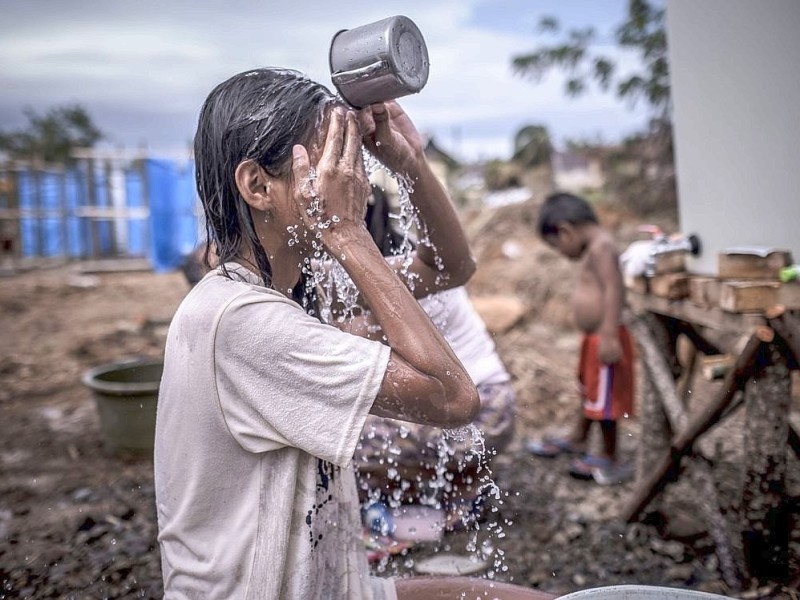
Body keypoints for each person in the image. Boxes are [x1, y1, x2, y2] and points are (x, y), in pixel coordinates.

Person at [154, 67, 554, 600]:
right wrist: (345, 230)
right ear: (257, 185)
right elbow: (454, 397)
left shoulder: (296, 280)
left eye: (353, 164)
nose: (356, 186)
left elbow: (449, 269)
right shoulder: (242, 320)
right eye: (329, 166)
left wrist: (408, 161)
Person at [351, 186, 517, 532]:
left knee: (351, 442)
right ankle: (460, 480)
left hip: (481, 414)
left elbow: (354, 336)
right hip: (494, 403)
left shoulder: (395, 278)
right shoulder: (414, 260)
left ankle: (462, 486)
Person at [527, 192, 635, 486]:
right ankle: (578, 438)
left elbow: (614, 290)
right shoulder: (595, 248)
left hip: (606, 336)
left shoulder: (602, 247)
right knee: (590, 390)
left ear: (566, 230)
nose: (561, 253)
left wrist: (610, 334)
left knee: (605, 400)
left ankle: (610, 457)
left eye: (557, 246)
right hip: (596, 337)